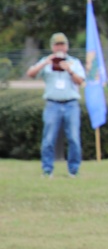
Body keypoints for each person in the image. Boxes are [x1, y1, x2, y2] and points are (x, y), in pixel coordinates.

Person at [26, 32, 86, 178]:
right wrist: (45, 63)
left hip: (71, 104)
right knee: (48, 138)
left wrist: (69, 70)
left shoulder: (74, 62)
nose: (60, 47)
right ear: (52, 46)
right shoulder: (46, 61)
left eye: (62, 44)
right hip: (52, 104)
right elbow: (31, 74)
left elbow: (80, 81)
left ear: (67, 46)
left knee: (73, 138)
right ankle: (47, 169)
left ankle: (73, 170)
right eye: (57, 44)